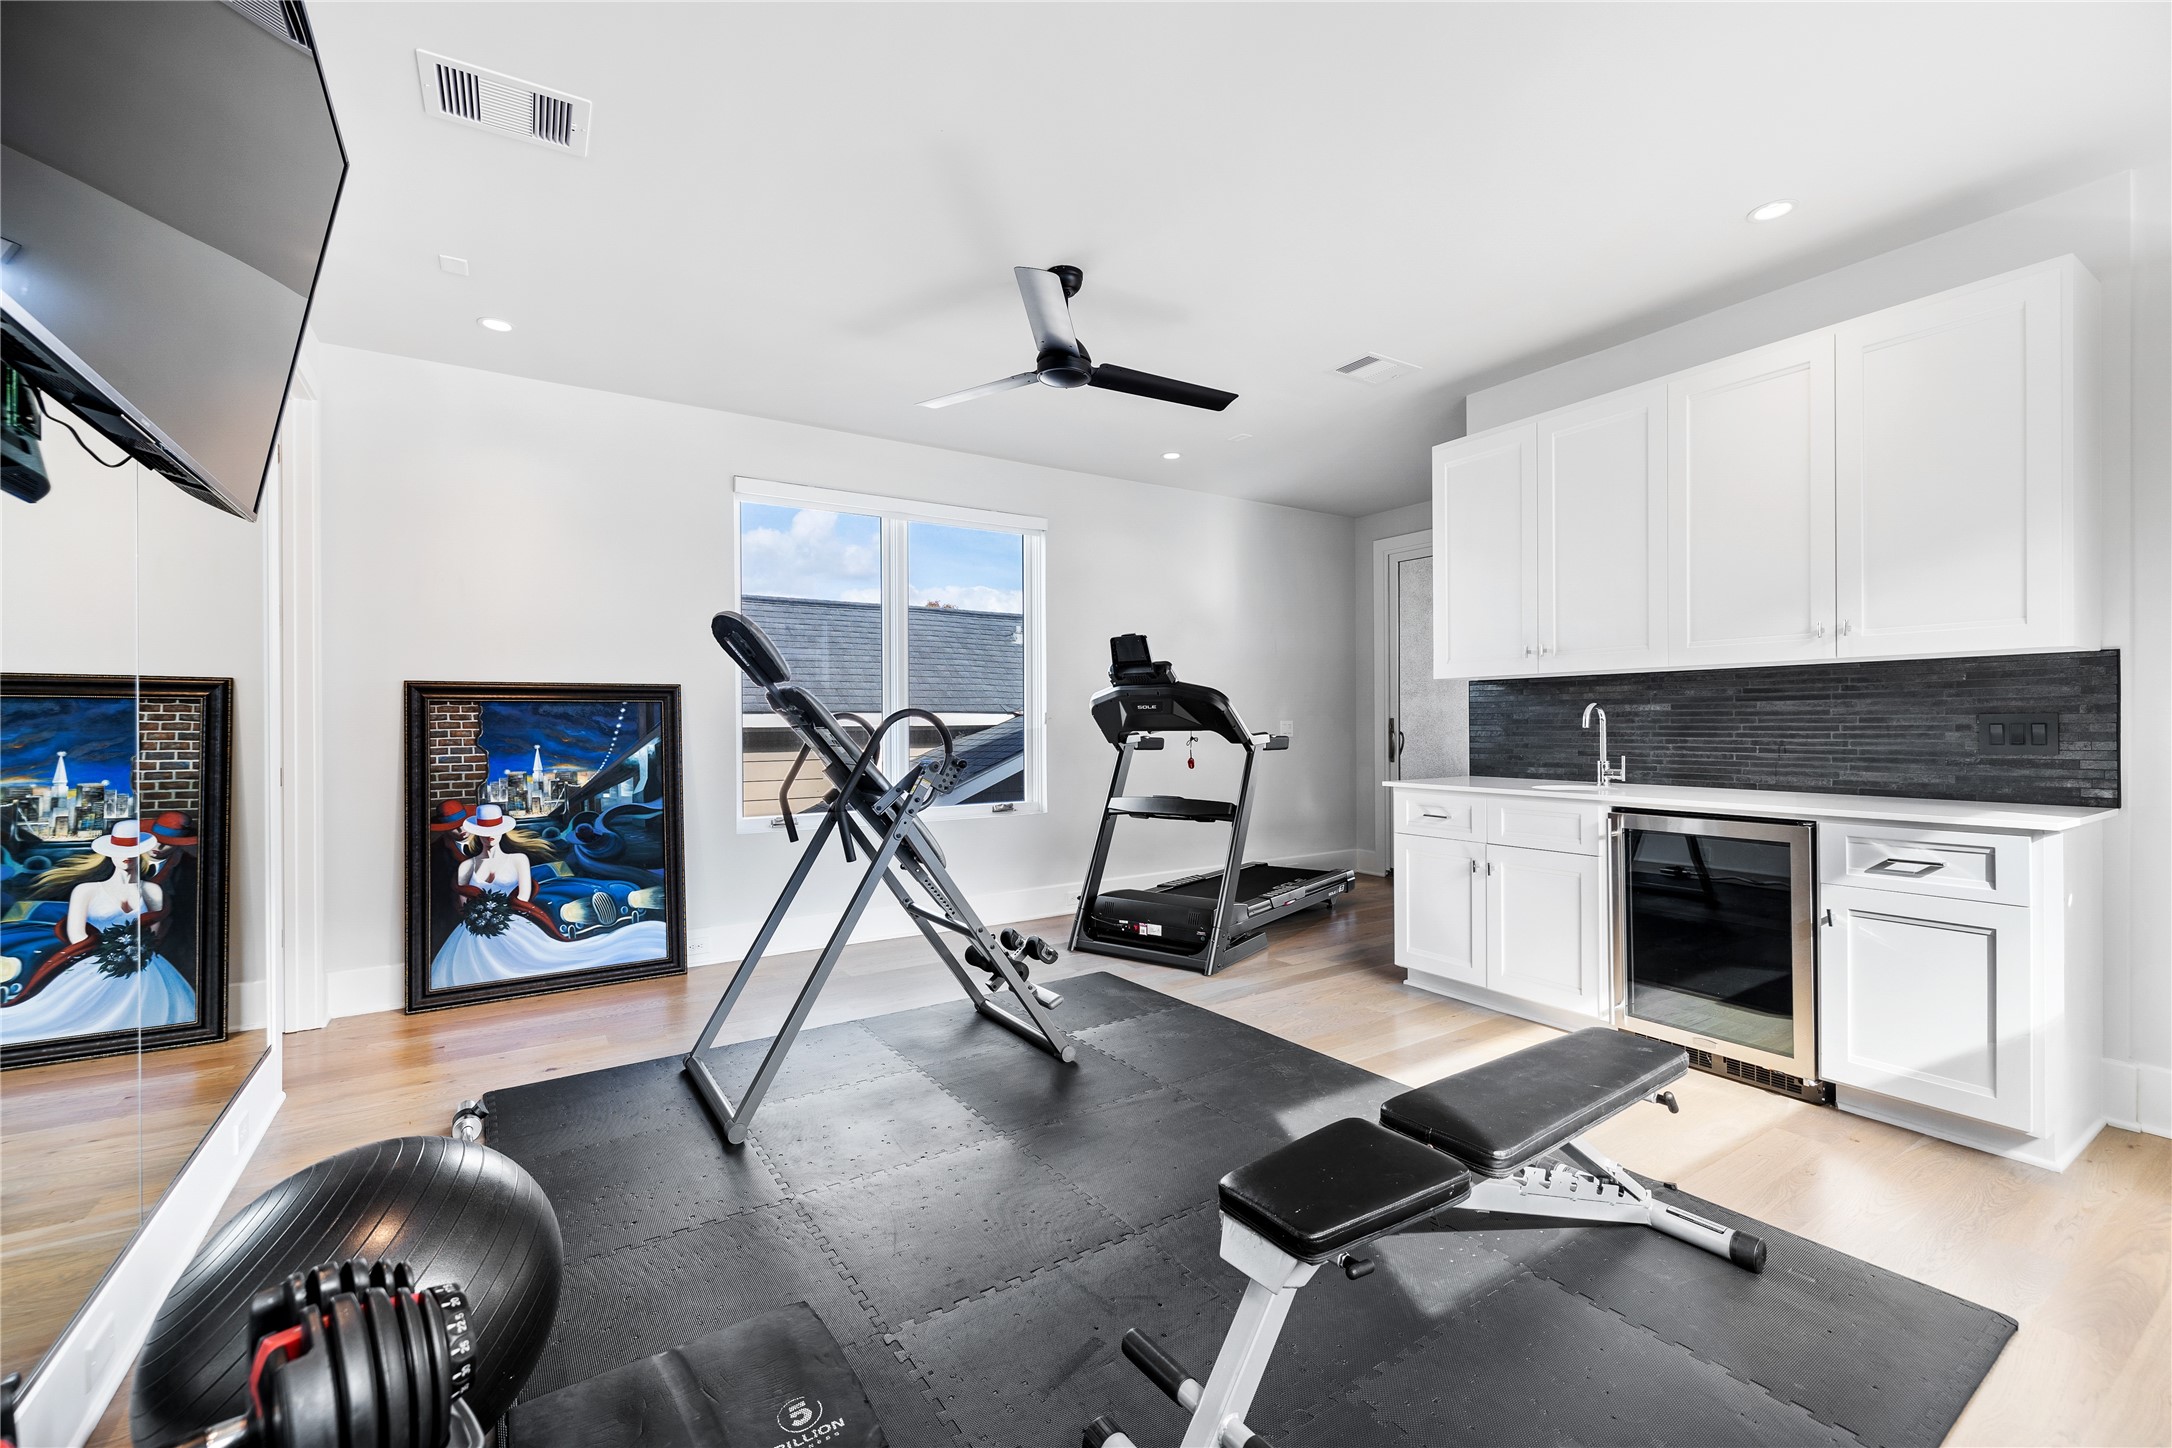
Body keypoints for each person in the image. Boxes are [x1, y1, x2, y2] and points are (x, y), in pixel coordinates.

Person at [428, 804, 668, 990]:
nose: (490, 837)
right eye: (485, 832)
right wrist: (481, 915)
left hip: (514, 922)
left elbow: (523, 895)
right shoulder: (466, 866)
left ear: (502, 832)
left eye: (494, 831)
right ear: (476, 834)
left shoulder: (518, 860)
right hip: (476, 931)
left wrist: (496, 910)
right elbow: (462, 903)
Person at [0, 820, 198, 1043]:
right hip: (93, 963)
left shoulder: (153, 891)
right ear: (109, 854)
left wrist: (131, 953)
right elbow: (77, 935)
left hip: (144, 965)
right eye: (119, 850)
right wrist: (110, 954)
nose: (126, 856)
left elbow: (152, 936)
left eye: (132, 851)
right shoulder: (86, 891)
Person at [143, 812, 200, 984]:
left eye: (166, 844)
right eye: (155, 840)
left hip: (167, 943)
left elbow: (187, 920)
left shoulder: (188, 870)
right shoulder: (126, 860)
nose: (158, 847)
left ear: (177, 846)